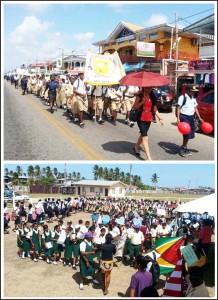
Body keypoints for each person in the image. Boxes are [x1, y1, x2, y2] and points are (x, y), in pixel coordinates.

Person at [132, 86, 164, 160]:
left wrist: (160, 118)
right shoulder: (139, 96)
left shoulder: (152, 96)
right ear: (143, 88)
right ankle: (149, 159)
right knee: (145, 137)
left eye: (150, 88)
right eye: (146, 88)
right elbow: (134, 107)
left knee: (143, 134)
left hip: (149, 118)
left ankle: (136, 146)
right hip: (141, 118)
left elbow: (154, 108)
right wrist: (142, 102)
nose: (148, 90)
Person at [176, 84, 204, 157]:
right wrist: (178, 119)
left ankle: (184, 147)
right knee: (186, 133)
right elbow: (178, 108)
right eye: (192, 91)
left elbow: (195, 108)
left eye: (194, 91)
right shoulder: (182, 97)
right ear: (188, 90)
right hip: (184, 117)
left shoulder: (193, 98)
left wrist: (199, 117)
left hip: (191, 117)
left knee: (190, 134)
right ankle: (183, 148)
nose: (194, 92)